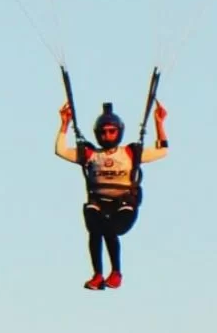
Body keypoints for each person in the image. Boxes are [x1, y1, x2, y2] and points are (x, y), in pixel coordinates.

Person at [56, 100, 169, 290]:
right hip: (99, 203)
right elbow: (60, 150)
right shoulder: (91, 155)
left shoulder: (130, 153)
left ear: (119, 131)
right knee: (94, 227)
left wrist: (159, 123)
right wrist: (64, 124)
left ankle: (116, 272)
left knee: (108, 228)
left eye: (111, 131)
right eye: (103, 132)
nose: (107, 136)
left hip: (124, 205)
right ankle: (98, 275)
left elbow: (162, 151)